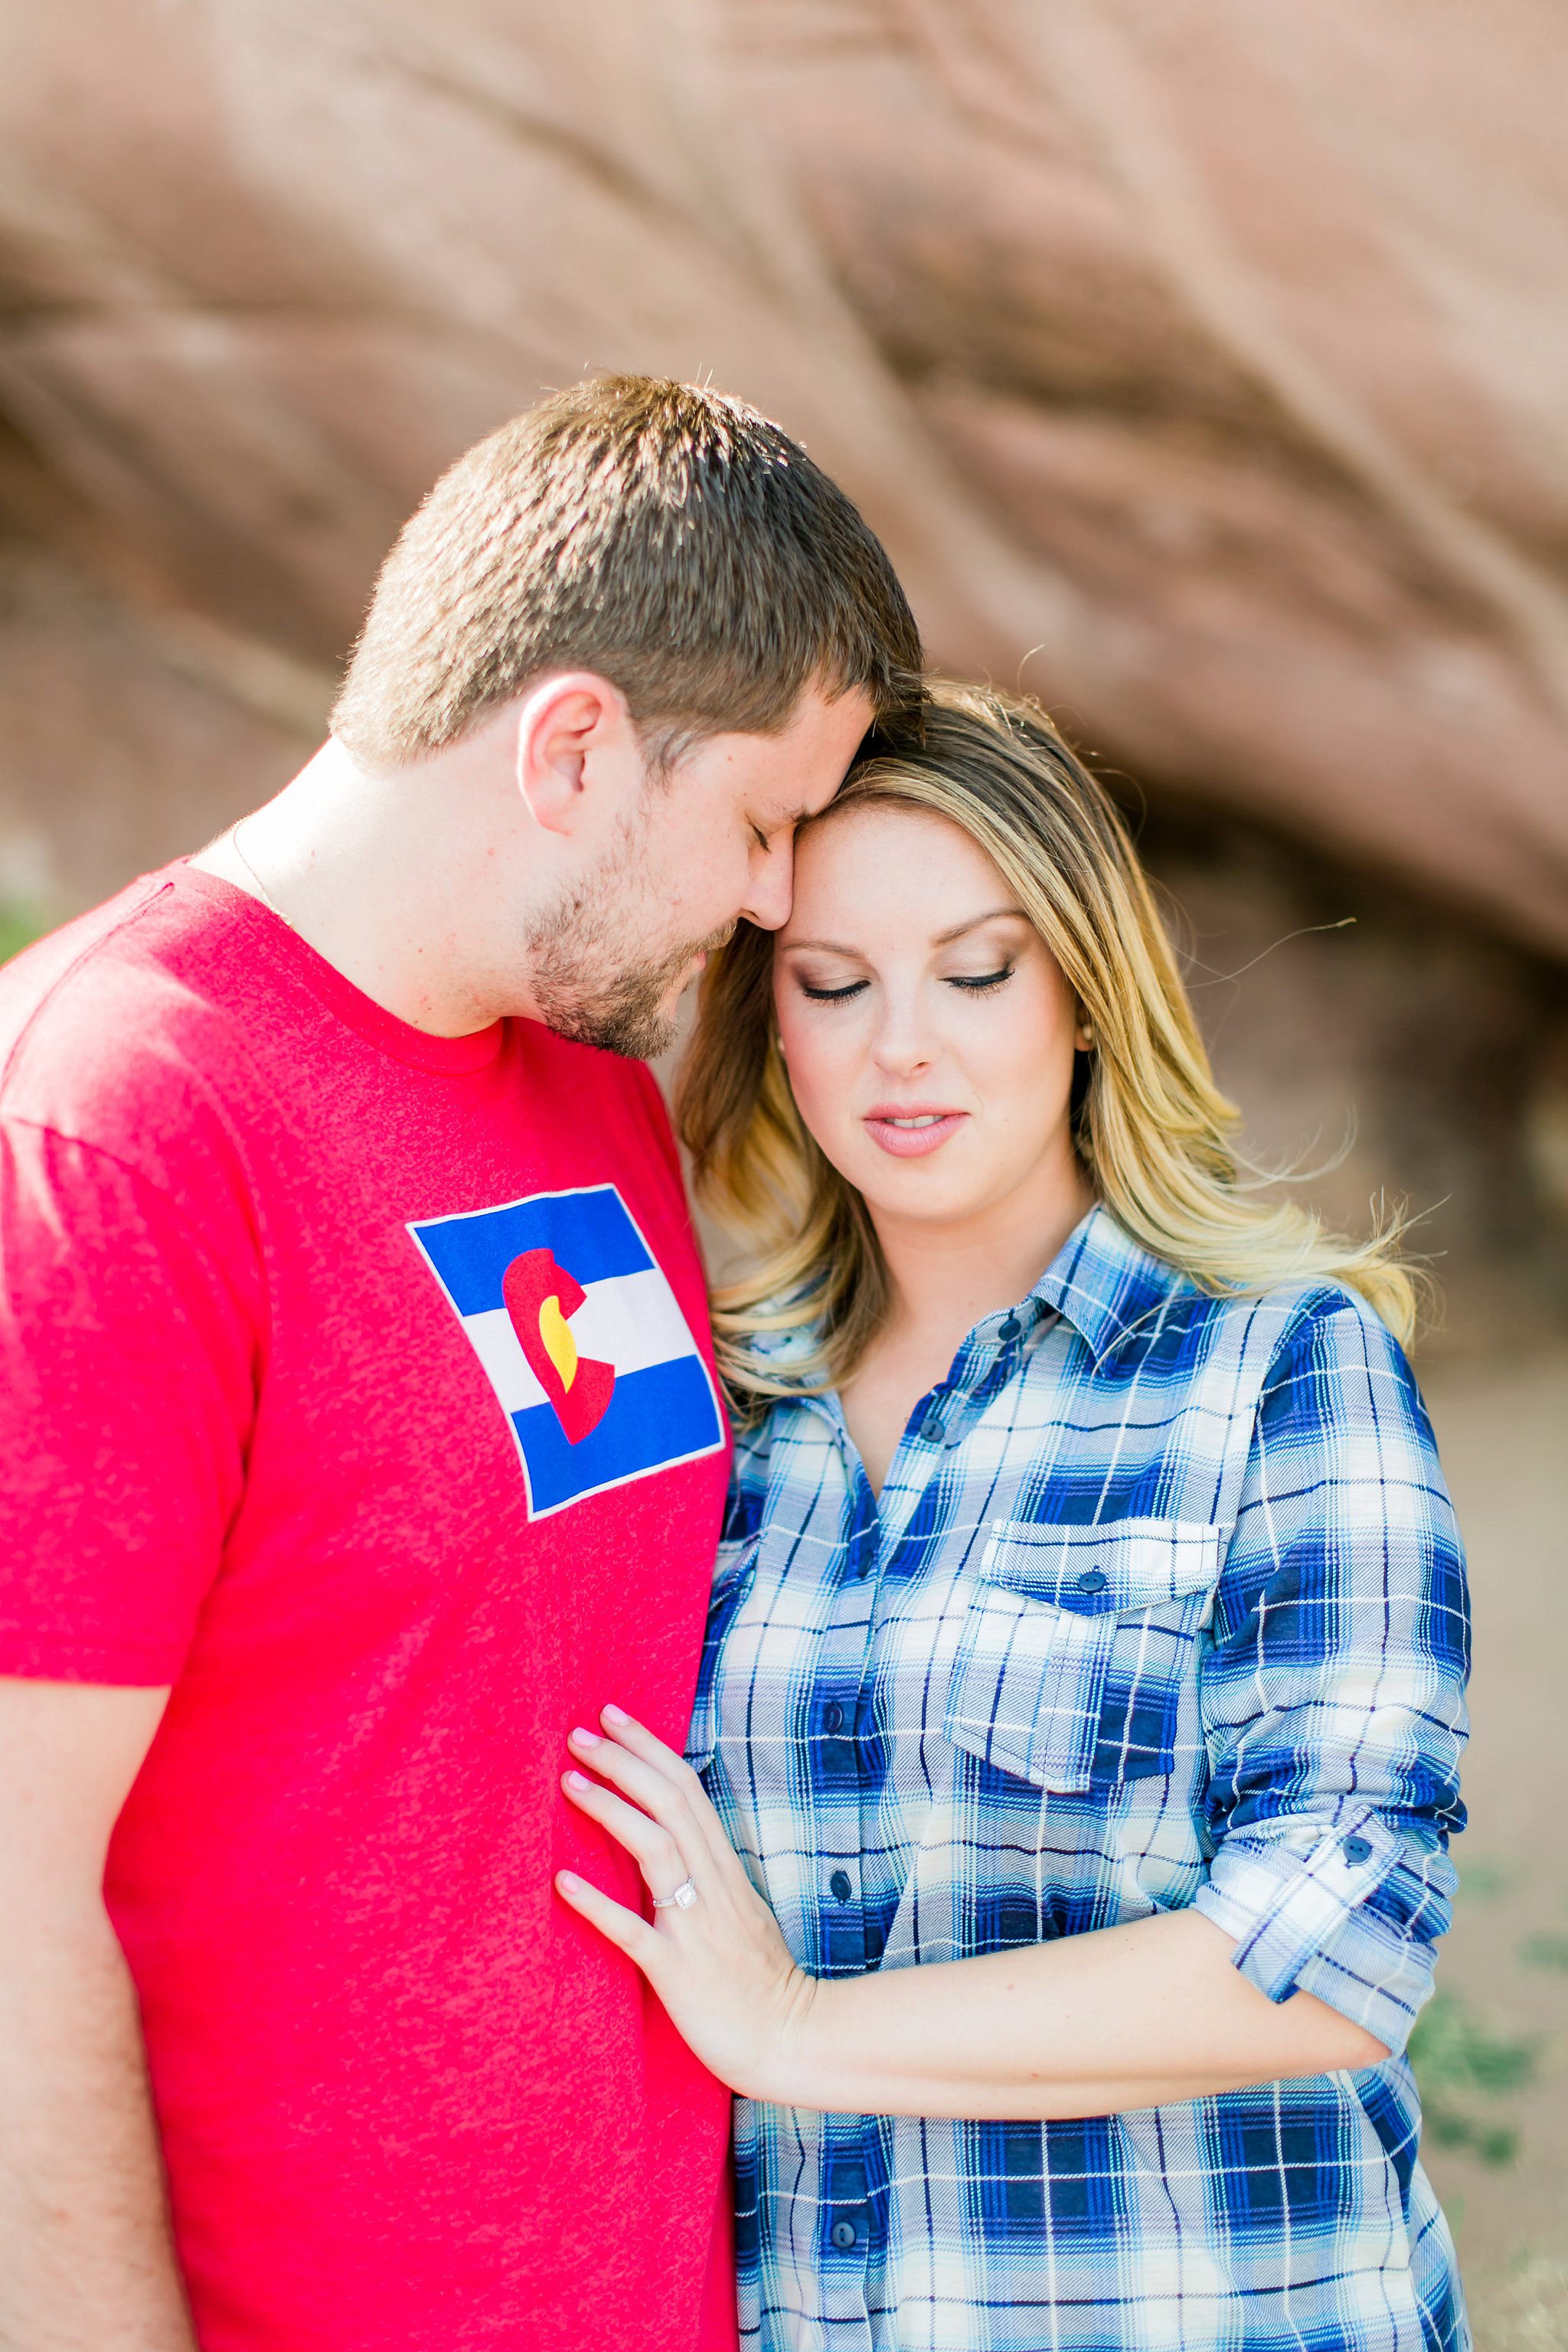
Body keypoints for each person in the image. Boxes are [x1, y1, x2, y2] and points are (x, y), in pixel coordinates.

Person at [0, 374, 921, 2352]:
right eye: (763, 821)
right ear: (572, 747)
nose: (779, 899)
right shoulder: (118, 1116)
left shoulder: (599, 1103)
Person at [554, 681, 1472, 2352]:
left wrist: (794, 2031)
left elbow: (1345, 1938)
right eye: (835, 985)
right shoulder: (719, 1419)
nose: (904, 1041)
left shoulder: (1275, 1371)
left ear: (1085, 997)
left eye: (975, 972)